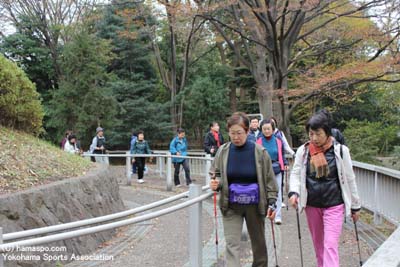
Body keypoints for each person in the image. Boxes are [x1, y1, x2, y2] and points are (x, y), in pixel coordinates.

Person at [288, 110, 361, 267]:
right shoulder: (303, 151)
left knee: (330, 245)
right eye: (311, 134)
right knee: (318, 245)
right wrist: (294, 192)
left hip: (334, 205)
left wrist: (355, 206)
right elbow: (295, 173)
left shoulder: (341, 151)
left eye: (318, 134)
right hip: (312, 205)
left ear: (327, 132)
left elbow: (350, 179)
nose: (314, 138)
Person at [209, 112, 278, 267]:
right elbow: (216, 172)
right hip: (231, 204)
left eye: (239, 133)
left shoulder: (260, 152)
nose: (236, 137)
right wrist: (216, 182)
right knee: (232, 244)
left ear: (247, 132)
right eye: (232, 133)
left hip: (255, 204)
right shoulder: (223, 151)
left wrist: (272, 201)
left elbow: (269, 179)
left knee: (259, 244)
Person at [256, 119, 288, 225]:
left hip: (276, 169)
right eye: (264, 129)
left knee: (277, 193)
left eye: (268, 129)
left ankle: (278, 216)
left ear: (273, 129)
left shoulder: (278, 140)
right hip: (263, 170)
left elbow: (282, 154)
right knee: (264, 192)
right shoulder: (258, 141)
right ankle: (266, 212)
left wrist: (285, 163)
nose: (266, 131)